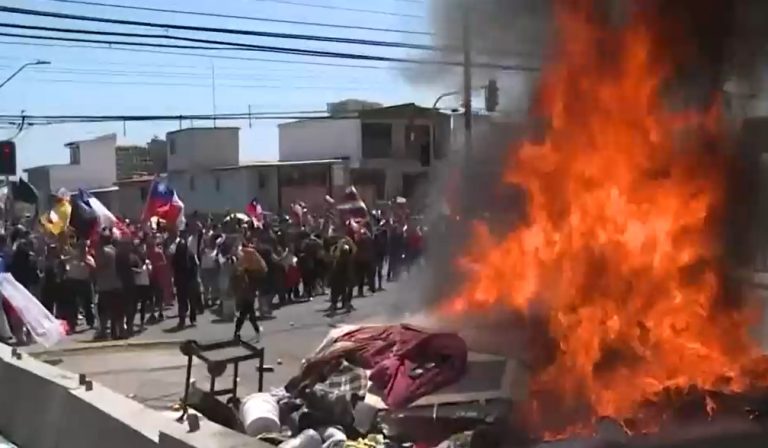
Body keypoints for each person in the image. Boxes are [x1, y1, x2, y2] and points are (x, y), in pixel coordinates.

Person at [94, 231, 124, 340]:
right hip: (117, 284)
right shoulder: (116, 250)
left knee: (103, 310)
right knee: (117, 310)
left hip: (106, 285)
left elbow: (100, 265)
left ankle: (103, 331)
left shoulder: (104, 251)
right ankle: (119, 331)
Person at [64, 241, 95, 329]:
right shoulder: (72, 257)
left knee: (87, 303)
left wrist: (85, 260)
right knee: (72, 305)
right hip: (72, 282)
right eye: (80, 248)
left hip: (84, 282)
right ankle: (72, 323)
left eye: (83, 249)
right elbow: (64, 261)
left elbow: (93, 268)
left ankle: (90, 321)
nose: (82, 250)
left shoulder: (88, 258)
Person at [230, 259, 260, 341]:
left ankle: (237, 332)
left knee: (244, 316)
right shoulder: (240, 274)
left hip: (247, 297)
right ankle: (256, 332)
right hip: (246, 297)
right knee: (247, 316)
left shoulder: (245, 273)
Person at [327, 237, 356, 316]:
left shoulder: (343, 252)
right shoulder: (338, 251)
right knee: (339, 289)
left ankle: (342, 304)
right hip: (339, 272)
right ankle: (338, 304)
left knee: (341, 290)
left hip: (342, 272)